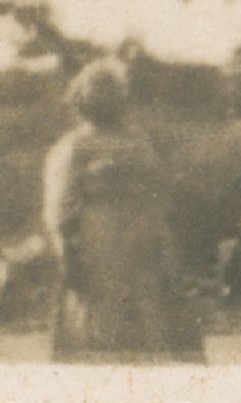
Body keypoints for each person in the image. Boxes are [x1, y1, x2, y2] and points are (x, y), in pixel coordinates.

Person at [41, 59, 205, 363]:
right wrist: (66, 252)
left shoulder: (137, 140)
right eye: (98, 92)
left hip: (143, 238)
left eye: (112, 91)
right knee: (101, 319)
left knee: (152, 318)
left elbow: (160, 189)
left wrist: (164, 238)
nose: (106, 100)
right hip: (99, 240)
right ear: (82, 98)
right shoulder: (74, 145)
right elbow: (59, 205)